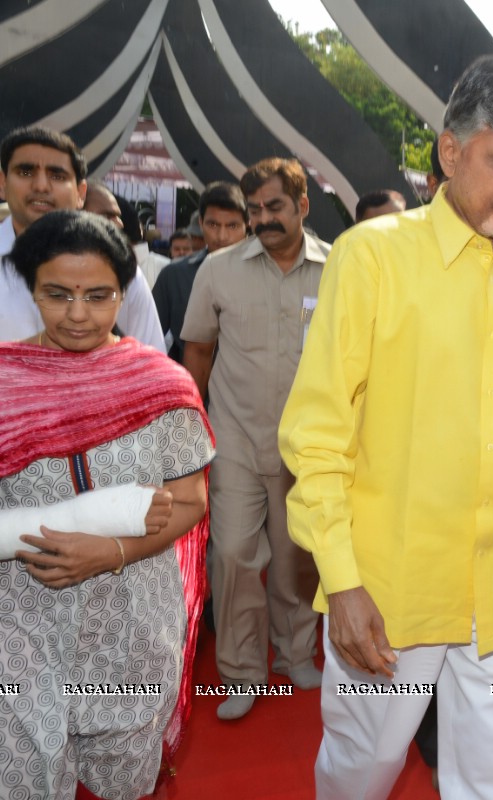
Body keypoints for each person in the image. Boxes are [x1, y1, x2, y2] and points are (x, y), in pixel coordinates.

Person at [278, 55, 493, 800]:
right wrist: (341, 579)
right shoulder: (371, 257)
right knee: (364, 769)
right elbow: (316, 432)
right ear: (451, 151)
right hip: (389, 585)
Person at [0, 209, 214, 799]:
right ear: (32, 289)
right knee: (23, 775)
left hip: (133, 620)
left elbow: (192, 500)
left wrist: (112, 550)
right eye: (57, 294)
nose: (77, 313)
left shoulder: (161, 385)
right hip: (21, 622)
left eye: (98, 295)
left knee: (126, 778)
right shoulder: (4, 380)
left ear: (124, 292)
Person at [181, 158, 327, 720]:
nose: (263, 219)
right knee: (236, 553)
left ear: (302, 206)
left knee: (297, 558)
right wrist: (192, 431)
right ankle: (244, 672)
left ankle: (296, 656)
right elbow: (197, 351)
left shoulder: (338, 269)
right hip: (235, 437)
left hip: (307, 444)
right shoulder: (219, 271)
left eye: (275, 207)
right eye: (255, 210)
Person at [0, 126, 165, 353]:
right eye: (25, 172)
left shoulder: (115, 265)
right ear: (2, 182)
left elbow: (151, 364)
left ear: (81, 193)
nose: (40, 186)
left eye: (57, 175)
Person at [153, 182, 248, 363]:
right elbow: (148, 340)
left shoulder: (263, 275)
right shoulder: (174, 276)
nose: (222, 236)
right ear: (200, 223)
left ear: (247, 225)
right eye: (213, 224)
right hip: (188, 384)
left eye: (232, 226)